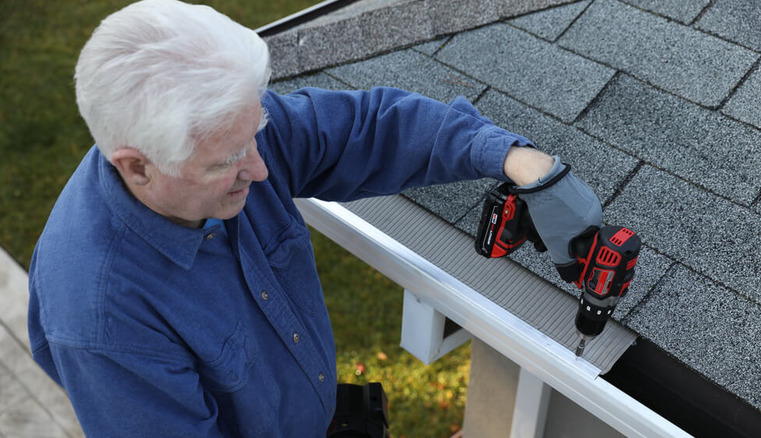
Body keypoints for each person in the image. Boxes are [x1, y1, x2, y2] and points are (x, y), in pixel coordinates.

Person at [27, 0, 602, 436]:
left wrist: (521, 162)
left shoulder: (217, 130)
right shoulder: (103, 317)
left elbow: (372, 129)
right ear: (138, 167)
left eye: (257, 134)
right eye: (228, 161)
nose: (262, 168)